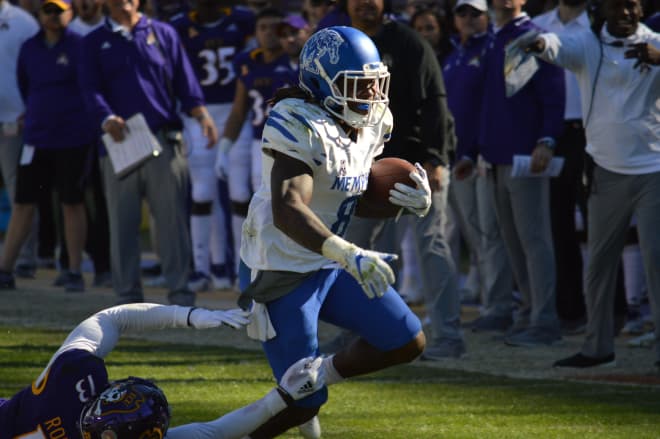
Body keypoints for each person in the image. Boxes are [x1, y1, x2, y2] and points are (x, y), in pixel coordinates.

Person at [238, 26, 428, 437]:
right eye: (358, 86)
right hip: (282, 268)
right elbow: (289, 208)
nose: (372, 96)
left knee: (405, 339)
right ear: (322, 83)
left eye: (376, 84)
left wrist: (404, 203)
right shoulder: (296, 119)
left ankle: (318, 373)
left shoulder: (372, 121)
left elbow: (350, 195)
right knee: (302, 403)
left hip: (330, 257)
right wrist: (347, 253)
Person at [523, 0, 660, 368]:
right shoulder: (588, 43)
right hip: (605, 170)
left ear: (642, 9)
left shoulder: (656, 42)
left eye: (632, 6)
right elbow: (556, 46)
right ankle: (597, 347)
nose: (625, 13)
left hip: (653, 169)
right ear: (603, 10)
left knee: (656, 261)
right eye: (617, 6)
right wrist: (538, 44)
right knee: (598, 264)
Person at [0, 302, 328, 438]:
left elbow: (109, 319)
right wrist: (282, 396)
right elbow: (213, 432)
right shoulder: (73, 381)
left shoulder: (72, 378)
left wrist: (187, 316)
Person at [343, 0, 463, 360]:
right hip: (363, 164)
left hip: (414, 164)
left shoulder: (409, 42)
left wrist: (436, 158)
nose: (366, 3)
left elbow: (436, 100)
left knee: (432, 246)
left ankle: (449, 335)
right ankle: (351, 334)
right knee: (351, 251)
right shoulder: (339, 42)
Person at [79, 0, 219, 306]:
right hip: (119, 142)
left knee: (172, 222)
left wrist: (202, 116)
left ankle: (181, 295)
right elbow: (89, 89)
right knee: (122, 223)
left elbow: (185, 80)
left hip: (163, 138)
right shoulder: (92, 41)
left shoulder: (163, 33)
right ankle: (127, 299)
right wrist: (105, 117)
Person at [476, 0, 565, 347]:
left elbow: (554, 93)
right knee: (513, 242)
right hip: (497, 156)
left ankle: (545, 320)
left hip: (526, 155)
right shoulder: (494, 38)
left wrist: (547, 139)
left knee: (534, 240)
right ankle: (530, 312)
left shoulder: (534, 36)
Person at [0, 0, 92, 292]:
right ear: (39, 15)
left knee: (71, 202)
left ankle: (74, 269)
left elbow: (88, 88)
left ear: (70, 13)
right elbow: (25, 84)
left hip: (72, 137)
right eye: (47, 11)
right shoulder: (30, 47)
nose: (53, 16)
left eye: (58, 11)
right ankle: (5, 268)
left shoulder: (80, 46)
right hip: (37, 137)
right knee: (23, 202)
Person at [170, 0, 255, 293]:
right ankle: (205, 267)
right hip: (198, 115)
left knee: (239, 193)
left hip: (236, 113)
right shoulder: (180, 26)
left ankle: (240, 267)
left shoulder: (243, 20)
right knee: (202, 192)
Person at [444, 0, 516, 333]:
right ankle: (493, 302)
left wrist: (473, 152)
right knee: (476, 235)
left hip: (479, 156)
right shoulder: (454, 53)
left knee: (489, 235)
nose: (469, 19)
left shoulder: (490, 49)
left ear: (487, 16)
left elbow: (490, 107)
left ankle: (499, 306)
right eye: (463, 13)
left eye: (476, 12)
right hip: (455, 157)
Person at [215, 8, 298, 278]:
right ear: (255, 31)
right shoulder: (248, 62)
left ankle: (281, 263)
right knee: (255, 204)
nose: (268, 33)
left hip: (290, 144)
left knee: (283, 203)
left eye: (275, 27)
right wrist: (224, 148)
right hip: (257, 142)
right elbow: (239, 111)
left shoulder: (295, 61)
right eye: (262, 27)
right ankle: (250, 262)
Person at [533, 0, 591, 336]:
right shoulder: (538, 25)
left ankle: (613, 312)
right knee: (558, 226)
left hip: (592, 132)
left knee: (599, 230)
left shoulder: (599, 27)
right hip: (550, 135)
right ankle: (569, 310)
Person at [0, 0, 39, 283]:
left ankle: (22, 260)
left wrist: (33, 107)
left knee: (19, 193)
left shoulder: (24, 22)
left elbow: (39, 68)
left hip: (14, 120)